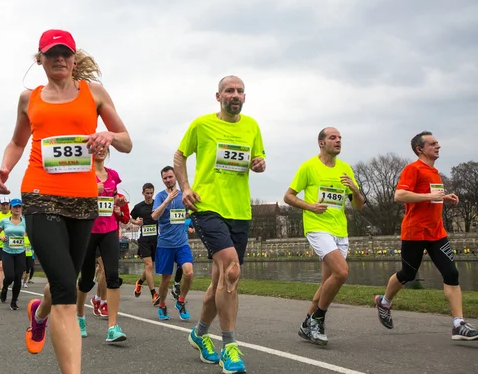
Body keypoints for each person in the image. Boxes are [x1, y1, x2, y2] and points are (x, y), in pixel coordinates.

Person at [0, 29, 131, 373]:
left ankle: (38, 314)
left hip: (83, 199)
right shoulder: (29, 98)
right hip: (40, 195)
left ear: (73, 58)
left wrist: (107, 135)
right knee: (66, 293)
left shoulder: (94, 93)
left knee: (65, 280)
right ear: (39, 59)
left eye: (65, 53)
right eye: (51, 53)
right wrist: (4, 168)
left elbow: (127, 141)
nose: (59, 59)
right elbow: (17, 141)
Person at [174, 75, 265, 373]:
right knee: (232, 269)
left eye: (240, 90)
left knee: (221, 281)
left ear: (244, 97)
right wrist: (185, 188)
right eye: (229, 90)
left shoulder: (251, 126)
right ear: (218, 96)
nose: (235, 94)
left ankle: (199, 335)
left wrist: (259, 163)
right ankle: (231, 347)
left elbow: (259, 158)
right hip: (207, 206)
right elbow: (179, 155)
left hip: (240, 210)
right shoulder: (202, 125)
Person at [374, 131, 478, 340]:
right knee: (408, 274)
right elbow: (399, 195)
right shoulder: (412, 169)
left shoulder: (434, 172)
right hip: (415, 232)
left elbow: (429, 198)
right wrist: (430, 196)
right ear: (419, 149)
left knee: (452, 273)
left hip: (437, 233)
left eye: (437, 143)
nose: (438, 146)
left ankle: (458, 324)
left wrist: (443, 198)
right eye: (432, 144)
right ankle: (384, 302)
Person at [284, 127, 365, 346]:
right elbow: (288, 196)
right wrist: (310, 206)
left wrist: (355, 191)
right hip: (317, 227)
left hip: (340, 230)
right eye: (333, 138)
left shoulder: (345, 169)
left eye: (340, 138)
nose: (338, 141)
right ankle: (318, 319)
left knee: (327, 282)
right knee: (342, 272)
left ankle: (306, 323)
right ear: (321, 143)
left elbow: (358, 206)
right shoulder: (309, 167)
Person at [76, 147, 127, 341]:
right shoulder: (83, 173)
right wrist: (89, 190)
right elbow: (74, 198)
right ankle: (80, 316)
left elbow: (112, 197)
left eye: (104, 148)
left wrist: (118, 201)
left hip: (109, 230)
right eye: (97, 148)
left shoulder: (113, 175)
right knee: (87, 279)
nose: (101, 151)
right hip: (88, 231)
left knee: (113, 276)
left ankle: (112, 327)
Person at [151, 166, 194, 321]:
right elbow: (155, 216)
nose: (168, 180)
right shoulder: (160, 196)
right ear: (162, 180)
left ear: (175, 176)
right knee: (166, 279)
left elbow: (191, 212)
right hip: (165, 244)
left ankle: (180, 301)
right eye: (165, 178)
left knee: (189, 273)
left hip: (182, 243)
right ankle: (162, 304)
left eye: (170, 177)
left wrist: (190, 223)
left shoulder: (184, 194)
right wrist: (167, 201)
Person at [91, 192, 130, 317]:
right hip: (94, 235)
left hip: (110, 238)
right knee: (104, 270)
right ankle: (103, 301)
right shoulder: (94, 192)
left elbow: (126, 219)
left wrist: (119, 213)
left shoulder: (120, 198)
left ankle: (98, 299)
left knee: (106, 271)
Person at [0, 198, 27, 311]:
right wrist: (1, 237)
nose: (17, 208)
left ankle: (14, 301)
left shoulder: (25, 221)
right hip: (7, 252)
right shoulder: (4, 221)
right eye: (15, 206)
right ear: (10, 208)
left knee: (18, 277)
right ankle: (4, 289)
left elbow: (30, 233)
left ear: (21, 208)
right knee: (10, 276)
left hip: (20, 253)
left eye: (19, 206)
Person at [130, 183, 160, 305]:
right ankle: (154, 294)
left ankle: (140, 282)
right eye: (147, 193)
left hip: (156, 239)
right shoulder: (138, 207)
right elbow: (129, 217)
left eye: (151, 193)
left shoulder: (157, 204)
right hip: (143, 240)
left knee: (150, 266)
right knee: (148, 266)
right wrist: (136, 222)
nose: (149, 195)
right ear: (143, 193)